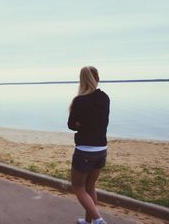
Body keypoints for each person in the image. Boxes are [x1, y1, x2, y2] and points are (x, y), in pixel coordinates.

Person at [67, 66, 110, 224]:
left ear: (82, 80)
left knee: (78, 187)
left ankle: (99, 221)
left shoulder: (79, 100)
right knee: (90, 186)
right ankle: (88, 222)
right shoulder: (105, 97)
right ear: (97, 78)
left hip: (85, 150)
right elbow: (100, 121)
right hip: (101, 149)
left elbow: (71, 124)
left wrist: (80, 123)